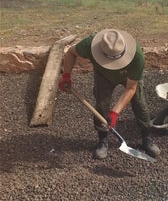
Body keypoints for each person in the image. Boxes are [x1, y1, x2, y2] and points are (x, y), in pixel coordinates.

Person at [58, 29, 160, 159]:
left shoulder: (136, 56)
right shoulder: (90, 44)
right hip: (103, 76)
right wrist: (66, 75)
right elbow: (71, 53)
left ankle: (146, 138)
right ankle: (102, 140)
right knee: (102, 105)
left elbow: (130, 88)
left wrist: (115, 113)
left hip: (128, 75)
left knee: (140, 104)